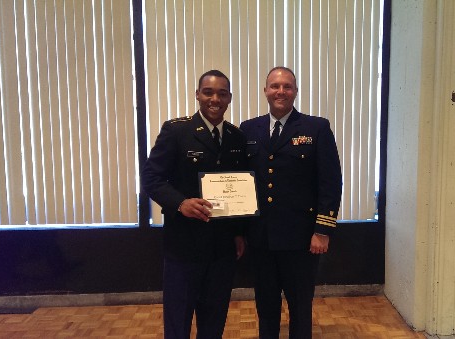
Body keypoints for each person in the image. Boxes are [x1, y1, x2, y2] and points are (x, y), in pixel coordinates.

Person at [142, 70, 247, 339]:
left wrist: (238, 232)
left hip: (222, 249)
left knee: (214, 321)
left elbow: (237, 188)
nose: (215, 99)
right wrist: (181, 203)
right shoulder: (176, 131)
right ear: (198, 95)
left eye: (222, 93)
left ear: (230, 98)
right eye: (208, 92)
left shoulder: (236, 137)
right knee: (178, 321)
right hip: (184, 247)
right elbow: (151, 178)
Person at [239, 66, 343, 338]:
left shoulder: (316, 128)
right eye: (275, 86)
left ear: (295, 92)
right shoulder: (248, 129)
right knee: (266, 305)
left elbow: (330, 182)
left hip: (301, 239)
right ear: (265, 91)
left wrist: (322, 231)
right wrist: (238, 231)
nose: (280, 91)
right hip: (261, 239)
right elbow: (241, 183)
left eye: (287, 86)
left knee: (300, 307)